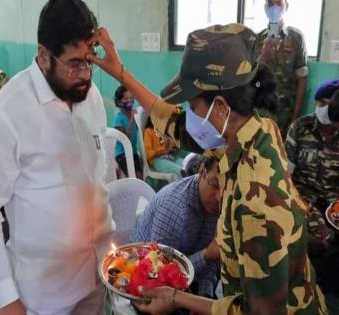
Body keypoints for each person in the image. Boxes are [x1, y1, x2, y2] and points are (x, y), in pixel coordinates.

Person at [88, 23, 327, 314]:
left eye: (193, 105)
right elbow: (175, 125)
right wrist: (120, 72)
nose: (189, 115)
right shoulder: (256, 130)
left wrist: (176, 298)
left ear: (223, 107)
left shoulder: (256, 204)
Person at [0, 1, 113, 314]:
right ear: (44, 55)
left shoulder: (90, 98)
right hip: (45, 296)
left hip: (98, 274)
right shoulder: (4, 116)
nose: (85, 74)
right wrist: (7, 299)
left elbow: (99, 178)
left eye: (89, 61)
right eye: (74, 63)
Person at [131, 155, 220, 298]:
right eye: (215, 186)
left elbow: (210, 264)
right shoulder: (174, 207)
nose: (219, 197)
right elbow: (160, 274)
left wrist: (205, 296)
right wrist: (206, 255)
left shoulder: (219, 202)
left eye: (227, 188)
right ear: (202, 172)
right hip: (147, 283)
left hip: (185, 278)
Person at [285, 79, 339, 314]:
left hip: (334, 206)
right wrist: (305, 209)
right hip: (300, 199)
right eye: (319, 102)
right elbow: (285, 178)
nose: (322, 108)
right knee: (308, 238)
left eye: (327, 103)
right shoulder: (300, 127)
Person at [256, 0, 308, 137]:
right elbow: (253, 81)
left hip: (284, 113)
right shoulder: (257, 39)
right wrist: (263, 57)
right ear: (265, 8)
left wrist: (295, 118)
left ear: (286, 7)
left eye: (279, 3)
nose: (274, 8)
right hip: (258, 112)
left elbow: (302, 80)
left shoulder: (296, 38)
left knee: (280, 155)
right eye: (270, 4)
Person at [113, 85, 143, 178]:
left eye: (131, 98)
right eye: (126, 99)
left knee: (140, 176)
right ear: (119, 102)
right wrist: (131, 120)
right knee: (134, 177)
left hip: (133, 151)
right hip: (122, 153)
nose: (130, 101)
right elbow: (126, 139)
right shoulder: (118, 119)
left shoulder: (134, 115)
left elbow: (141, 132)